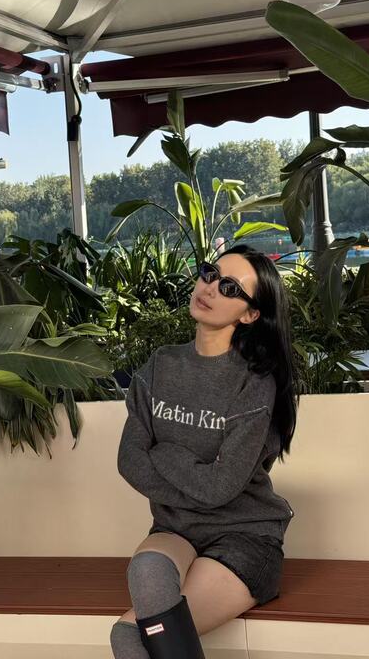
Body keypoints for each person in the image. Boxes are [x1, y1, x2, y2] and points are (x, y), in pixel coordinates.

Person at [110, 243, 300, 659]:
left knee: (131, 637)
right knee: (146, 572)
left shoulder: (254, 383)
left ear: (250, 314)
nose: (211, 288)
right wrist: (198, 476)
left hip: (245, 537)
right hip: (175, 531)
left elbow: (221, 488)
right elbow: (130, 460)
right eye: (210, 274)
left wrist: (166, 454)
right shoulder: (161, 365)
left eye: (230, 288)